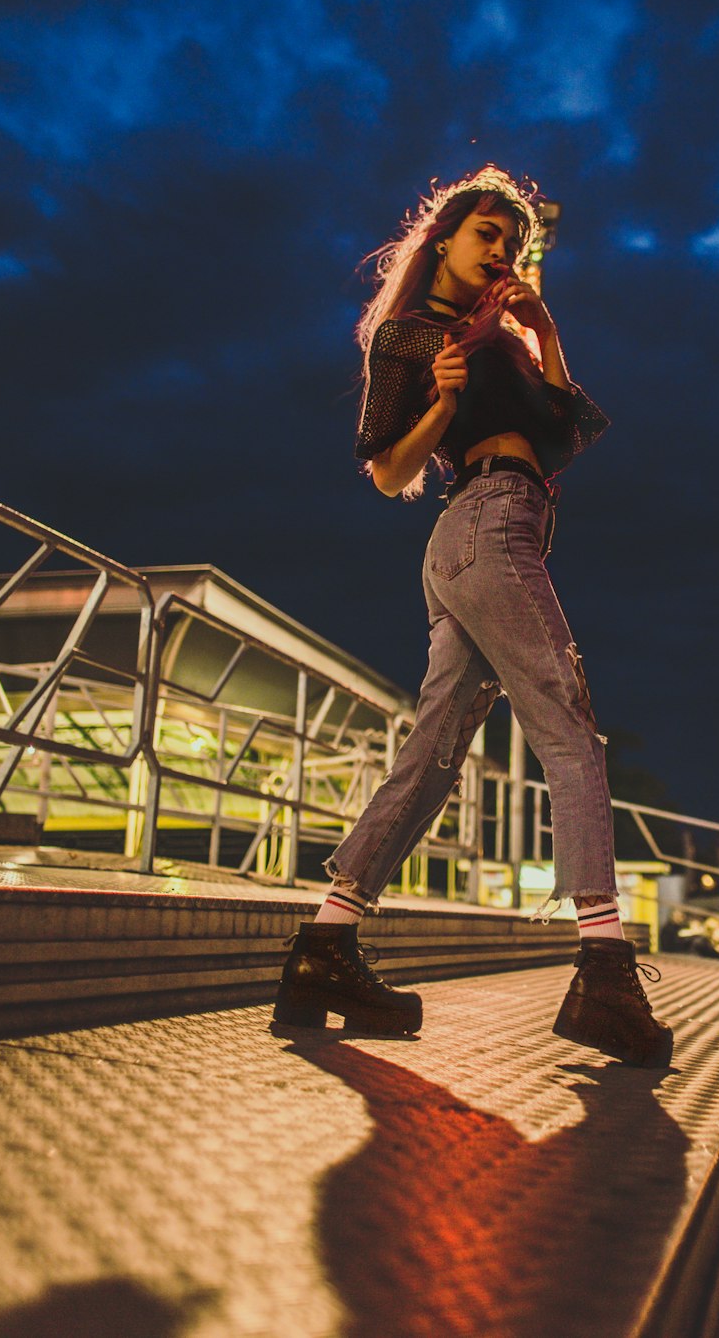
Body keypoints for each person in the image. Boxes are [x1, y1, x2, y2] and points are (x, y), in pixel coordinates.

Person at [274, 166, 673, 1068]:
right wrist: (445, 400)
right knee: (569, 728)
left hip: (498, 529)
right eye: (488, 234)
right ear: (446, 239)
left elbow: (566, 432)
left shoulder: (513, 339)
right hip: (484, 526)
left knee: (435, 753)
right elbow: (384, 470)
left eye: (514, 242)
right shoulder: (412, 336)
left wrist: (546, 331)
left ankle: (324, 947)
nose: (503, 251)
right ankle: (605, 970)